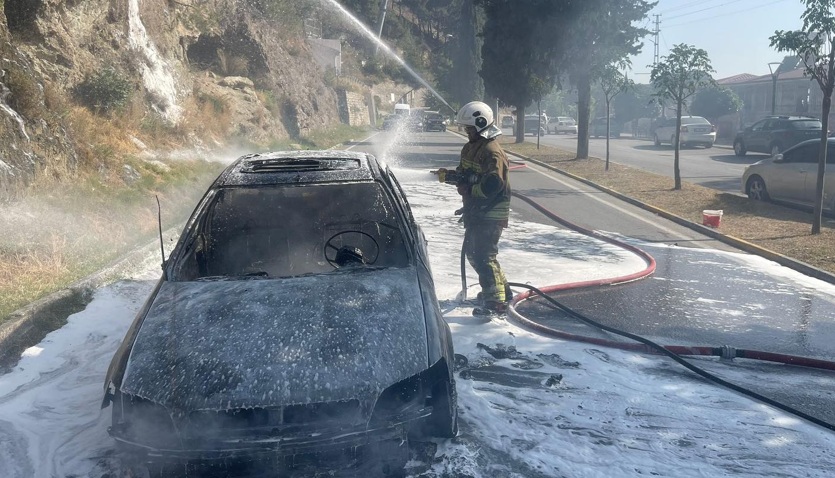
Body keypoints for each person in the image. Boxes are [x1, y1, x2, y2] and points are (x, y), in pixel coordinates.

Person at [453, 101, 512, 317]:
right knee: (476, 253)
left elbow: (493, 184)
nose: (467, 132)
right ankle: (501, 292)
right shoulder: (470, 148)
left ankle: (495, 303)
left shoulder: (491, 151)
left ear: (480, 124)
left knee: (484, 255)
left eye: (469, 128)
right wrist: (453, 177)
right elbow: (466, 172)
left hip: (491, 211)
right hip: (476, 210)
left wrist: (471, 190)